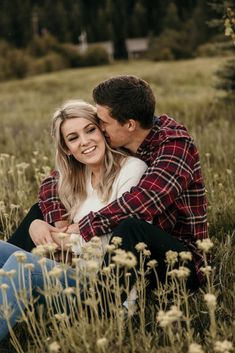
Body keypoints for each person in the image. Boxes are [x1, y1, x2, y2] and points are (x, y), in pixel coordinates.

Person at [8, 75, 207, 303]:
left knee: (132, 227)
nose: (100, 130)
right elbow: (54, 180)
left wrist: (77, 232)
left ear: (129, 125)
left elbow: (142, 203)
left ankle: (103, 306)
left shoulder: (173, 147)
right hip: (131, 254)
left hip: (175, 259)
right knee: (37, 213)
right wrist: (57, 222)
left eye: (101, 123)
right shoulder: (127, 141)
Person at [0, 99, 147, 342]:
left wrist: (61, 243)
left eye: (90, 130)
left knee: (19, 264)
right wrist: (36, 225)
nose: (85, 142)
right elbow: (64, 226)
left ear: (103, 131)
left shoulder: (132, 169)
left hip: (102, 293)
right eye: (73, 137)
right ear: (67, 148)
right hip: (69, 278)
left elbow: (119, 240)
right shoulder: (77, 180)